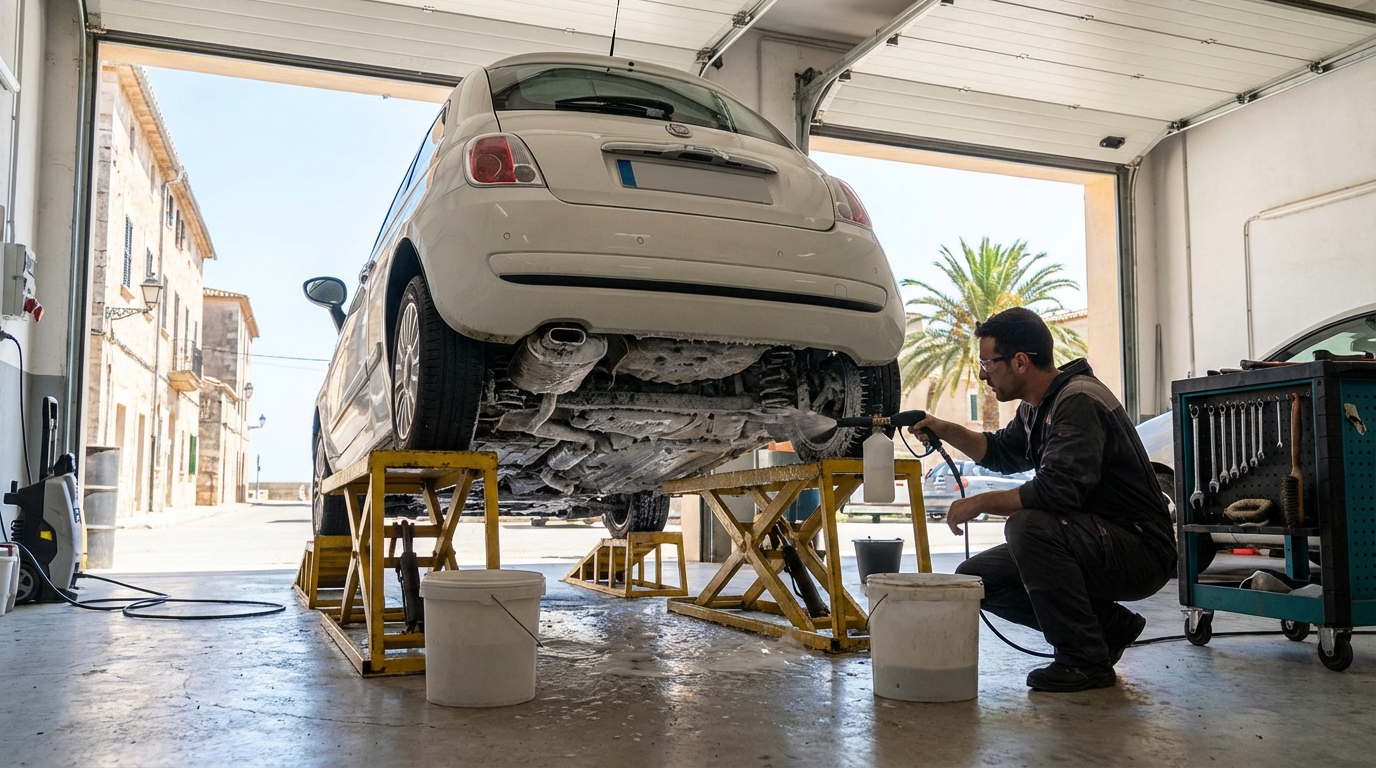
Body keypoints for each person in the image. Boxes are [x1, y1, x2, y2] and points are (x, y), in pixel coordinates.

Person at [909, 307, 1176, 693]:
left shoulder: (1078, 402)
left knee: (1029, 526)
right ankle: (1108, 629)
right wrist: (943, 427)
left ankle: (1083, 659)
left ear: (1020, 362)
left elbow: (1056, 492)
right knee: (976, 580)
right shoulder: (1038, 407)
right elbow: (1000, 452)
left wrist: (979, 503)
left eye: (987, 362)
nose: (983, 374)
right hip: (1099, 540)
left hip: (1140, 551)